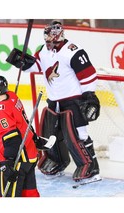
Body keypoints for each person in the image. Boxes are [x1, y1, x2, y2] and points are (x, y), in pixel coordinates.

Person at [19, 20, 101, 182]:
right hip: (54, 100)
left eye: (50, 36)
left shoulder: (73, 51)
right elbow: (37, 66)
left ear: (58, 35)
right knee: (51, 134)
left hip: (74, 101)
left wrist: (88, 95)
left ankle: (91, 168)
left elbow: (89, 75)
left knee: (79, 135)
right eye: (46, 36)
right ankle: (57, 161)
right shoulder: (43, 50)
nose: (48, 39)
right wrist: (22, 62)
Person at [0, 75, 40, 197]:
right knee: (30, 192)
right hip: (30, 153)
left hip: (17, 159)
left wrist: (9, 163)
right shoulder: (12, 96)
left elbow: (11, 137)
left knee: (11, 196)